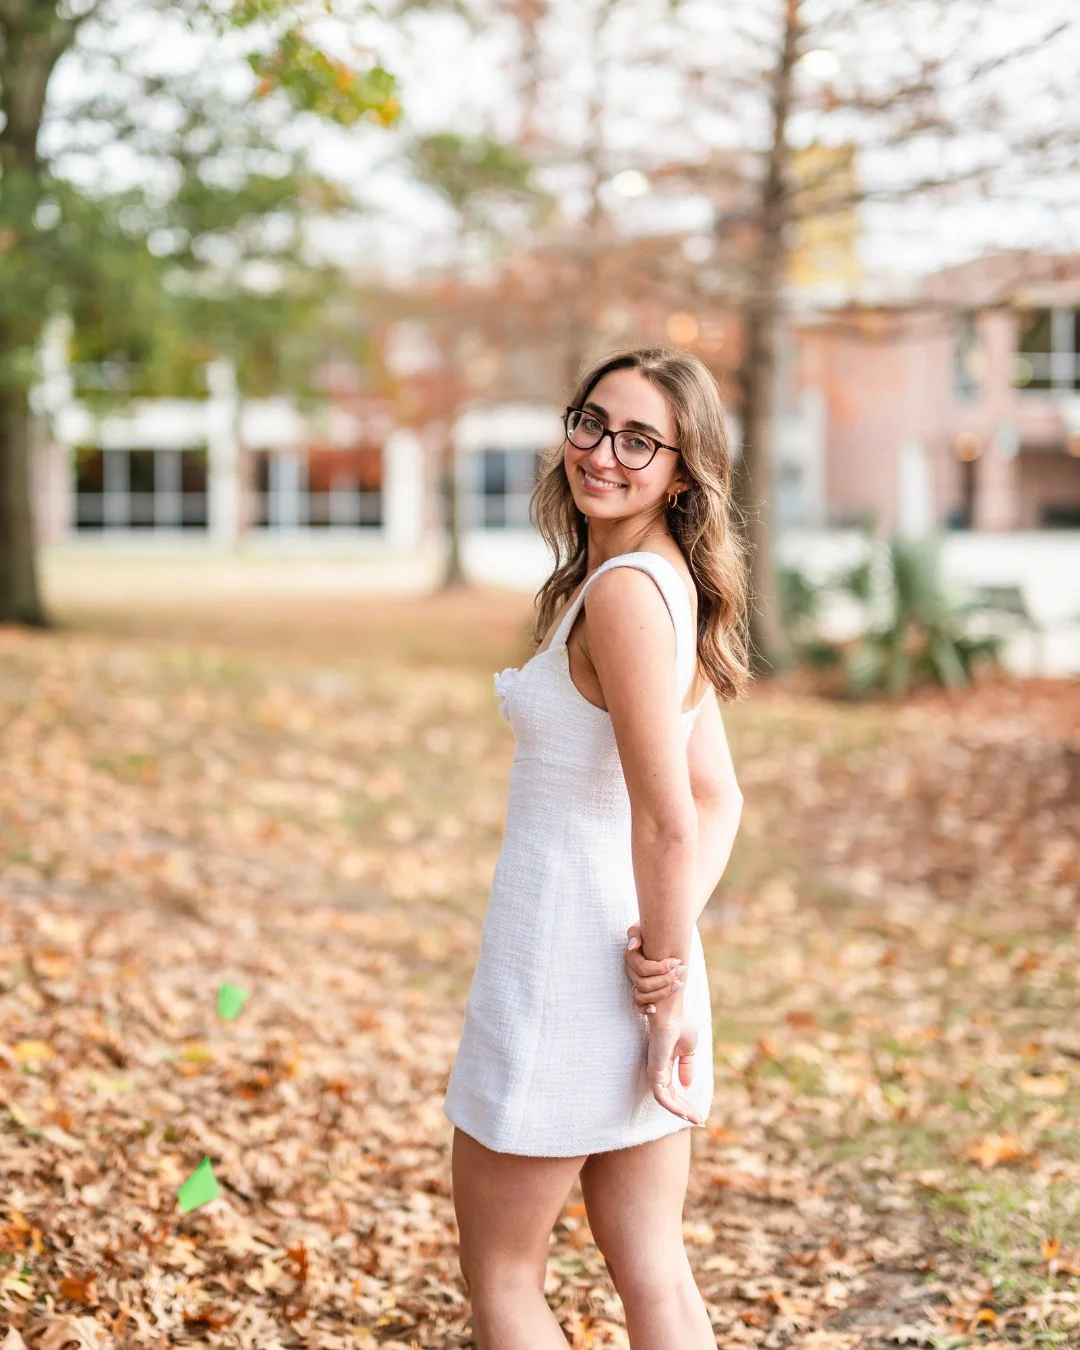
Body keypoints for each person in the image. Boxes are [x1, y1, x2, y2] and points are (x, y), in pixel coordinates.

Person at [443, 345, 750, 1348]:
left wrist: (657, 987)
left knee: (504, 1278)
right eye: (591, 421)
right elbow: (718, 797)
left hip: (565, 978)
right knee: (654, 1269)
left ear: (681, 470)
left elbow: (678, 815)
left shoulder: (625, 595)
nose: (602, 452)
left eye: (638, 440)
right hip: (634, 959)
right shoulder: (665, 584)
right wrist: (666, 960)